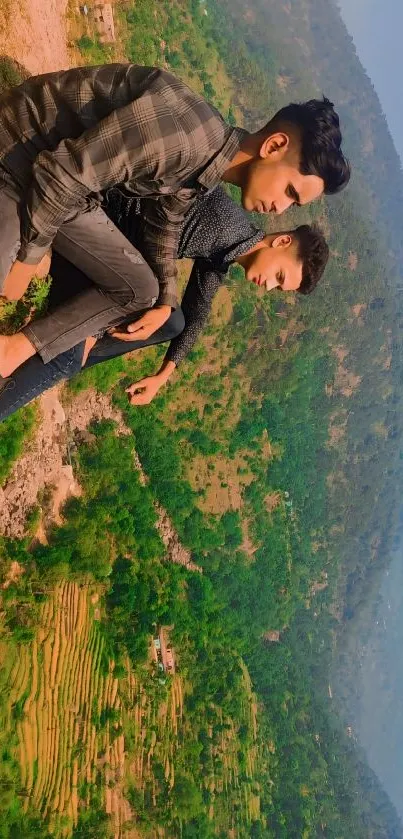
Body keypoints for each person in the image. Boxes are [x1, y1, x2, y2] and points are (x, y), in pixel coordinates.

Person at [0, 63, 349, 378]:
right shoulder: (187, 138)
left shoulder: (207, 166)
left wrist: (167, 299)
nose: (281, 209)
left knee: (143, 290)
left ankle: (15, 349)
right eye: (289, 191)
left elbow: (164, 222)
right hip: (19, 153)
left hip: (66, 194)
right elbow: (62, 174)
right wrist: (27, 263)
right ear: (274, 146)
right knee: (11, 281)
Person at [0, 186, 329, 420]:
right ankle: (63, 348)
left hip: (117, 268)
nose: (270, 286)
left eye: (278, 289)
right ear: (283, 241)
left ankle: (68, 348)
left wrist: (163, 375)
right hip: (102, 233)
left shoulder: (226, 252)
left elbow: (197, 315)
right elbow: (150, 231)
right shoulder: (224, 227)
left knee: (175, 322)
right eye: (280, 277)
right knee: (69, 355)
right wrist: (94, 330)